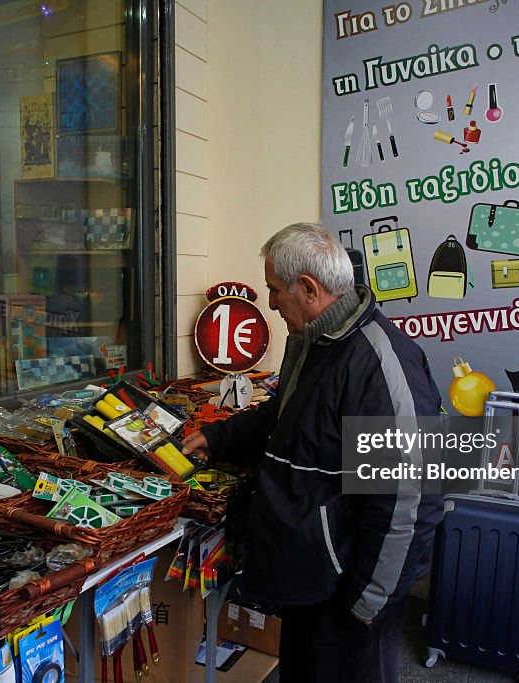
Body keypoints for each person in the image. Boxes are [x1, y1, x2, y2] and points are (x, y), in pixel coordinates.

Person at [181, 222, 443, 683]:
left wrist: (368, 601)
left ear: (308, 288)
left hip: (348, 595)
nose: (271, 302)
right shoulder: (312, 342)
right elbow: (282, 414)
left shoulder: (381, 366)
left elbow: (409, 502)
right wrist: (219, 437)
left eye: (275, 290)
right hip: (309, 577)